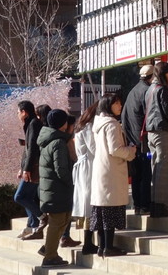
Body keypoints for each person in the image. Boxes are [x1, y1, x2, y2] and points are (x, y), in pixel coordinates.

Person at [90, 92, 134, 257]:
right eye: (117, 103)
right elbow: (115, 149)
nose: (120, 106)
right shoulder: (112, 124)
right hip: (111, 170)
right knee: (110, 209)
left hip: (102, 169)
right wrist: (130, 151)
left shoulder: (98, 123)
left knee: (102, 210)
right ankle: (109, 247)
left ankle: (102, 246)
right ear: (109, 105)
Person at [37, 109, 74, 267]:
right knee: (57, 221)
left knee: (62, 220)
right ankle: (49, 256)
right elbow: (61, 169)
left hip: (52, 189)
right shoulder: (58, 142)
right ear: (62, 124)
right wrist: (71, 183)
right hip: (57, 189)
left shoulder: (50, 139)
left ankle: (51, 251)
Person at [145, 61, 168, 218]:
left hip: (151, 132)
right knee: (164, 170)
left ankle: (154, 204)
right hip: (163, 131)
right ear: (164, 74)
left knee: (156, 168)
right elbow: (167, 112)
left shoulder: (150, 89)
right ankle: (162, 205)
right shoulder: (163, 90)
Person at [121, 65, 154, 214]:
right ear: (152, 76)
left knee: (136, 175)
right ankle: (145, 204)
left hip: (132, 139)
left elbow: (124, 117)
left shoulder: (132, 91)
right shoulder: (148, 91)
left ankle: (138, 205)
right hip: (144, 140)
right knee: (146, 173)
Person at [14, 100, 43, 239]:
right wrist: (22, 168)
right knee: (28, 197)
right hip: (30, 167)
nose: (17, 115)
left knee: (19, 196)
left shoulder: (33, 124)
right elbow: (26, 150)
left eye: (18, 112)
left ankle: (42, 217)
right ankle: (33, 225)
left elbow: (32, 149)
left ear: (24, 112)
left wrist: (27, 169)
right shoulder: (30, 124)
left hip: (34, 167)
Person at [70, 101, 99, 243]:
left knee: (87, 201)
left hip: (85, 166)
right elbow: (94, 148)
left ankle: (89, 240)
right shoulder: (88, 127)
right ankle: (88, 241)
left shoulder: (82, 126)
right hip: (89, 166)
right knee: (89, 202)